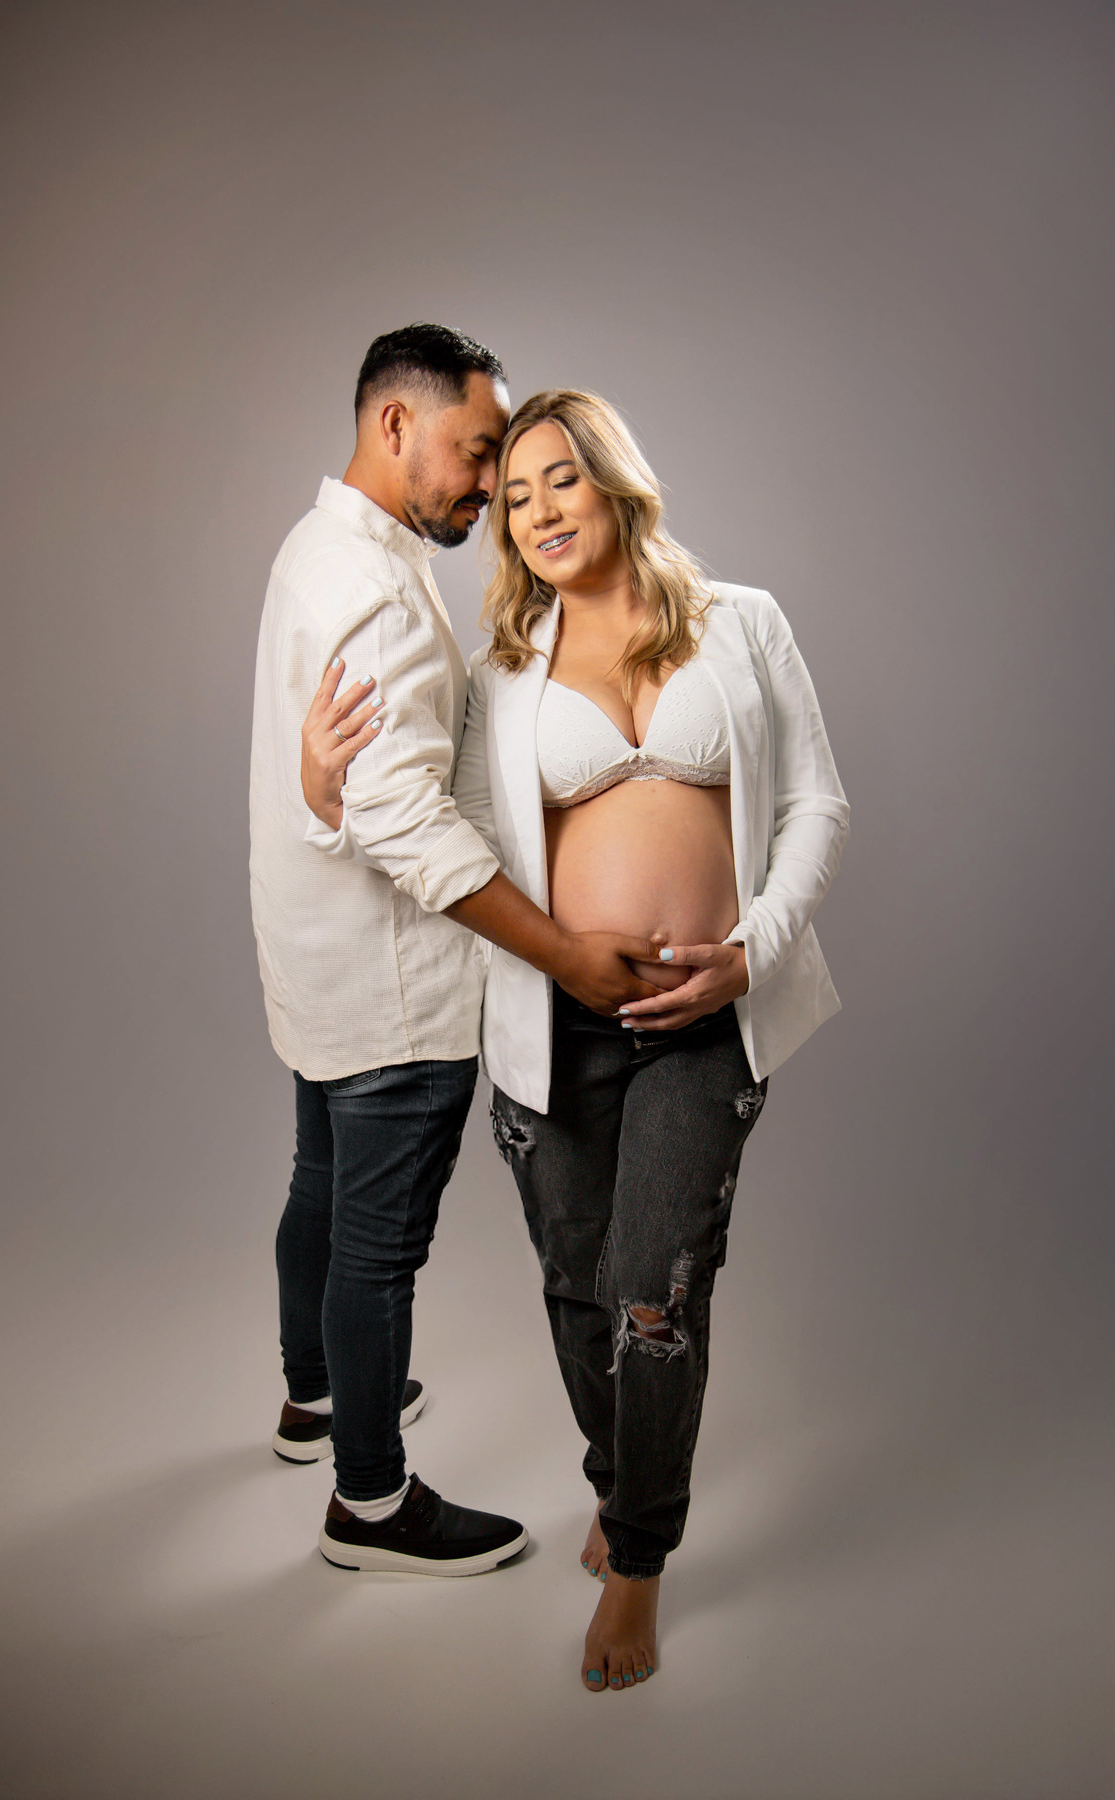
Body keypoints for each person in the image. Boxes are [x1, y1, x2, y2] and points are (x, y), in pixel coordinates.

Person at [304, 389, 848, 1675]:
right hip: (552, 1028)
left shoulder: (744, 623)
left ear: (615, 480)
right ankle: (618, 1478)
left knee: (653, 1291)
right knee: (576, 1285)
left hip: (705, 1026)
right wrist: (325, 787)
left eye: (562, 478)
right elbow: (428, 828)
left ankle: (641, 1558)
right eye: (515, 493)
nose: (538, 509)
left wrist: (749, 956)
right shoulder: (500, 669)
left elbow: (818, 805)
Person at [250, 332, 661, 1576]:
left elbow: (376, 764)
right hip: (394, 985)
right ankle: (370, 1505)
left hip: (319, 959)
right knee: (376, 1245)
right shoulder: (371, 585)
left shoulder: (328, 546)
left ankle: (315, 1396)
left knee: (322, 1187)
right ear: (395, 426)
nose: (492, 485)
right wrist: (567, 954)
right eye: (479, 453)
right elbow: (406, 823)